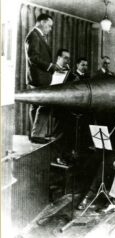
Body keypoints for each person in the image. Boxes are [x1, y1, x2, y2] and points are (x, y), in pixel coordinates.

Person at [25, 13, 62, 143]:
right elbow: (33, 58)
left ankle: (36, 135)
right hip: (38, 78)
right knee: (45, 105)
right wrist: (50, 66)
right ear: (42, 22)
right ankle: (38, 135)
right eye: (49, 25)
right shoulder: (34, 35)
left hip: (36, 77)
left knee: (36, 106)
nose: (50, 29)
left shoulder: (36, 35)